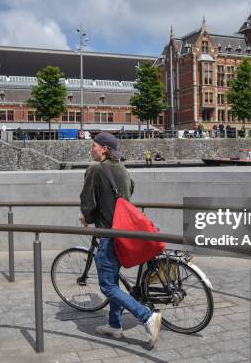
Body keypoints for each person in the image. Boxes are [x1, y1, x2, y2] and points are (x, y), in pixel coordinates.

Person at [79, 132, 162, 347]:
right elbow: (129, 191)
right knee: (114, 278)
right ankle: (114, 324)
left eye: (94, 145)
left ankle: (146, 316)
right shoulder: (123, 170)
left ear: (104, 149)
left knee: (107, 286)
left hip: (108, 234)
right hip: (124, 233)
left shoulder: (95, 170)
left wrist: (86, 217)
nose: (92, 149)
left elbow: (87, 201)